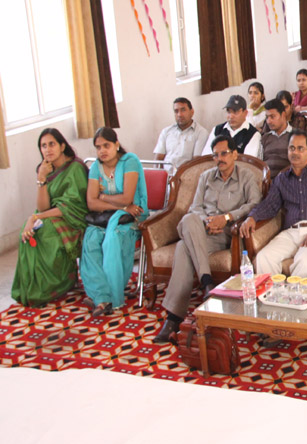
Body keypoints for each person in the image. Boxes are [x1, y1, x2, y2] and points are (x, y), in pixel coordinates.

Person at [154, 135, 262, 342]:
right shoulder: (206, 177)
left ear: (235, 154)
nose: (219, 159)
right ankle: (207, 282)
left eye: (224, 154)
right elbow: (195, 208)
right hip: (202, 230)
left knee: (183, 247)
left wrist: (226, 218)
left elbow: (254, 204)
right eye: (215, 155)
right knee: (189, 220)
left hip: (226, 234)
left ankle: (173, 318)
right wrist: (207, 221)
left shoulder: (246, 176)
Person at [241, 131, 307, 277]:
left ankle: (297, 293)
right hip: (291, 232)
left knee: (305, 260)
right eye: (292, 148)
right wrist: (252, 217)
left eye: (300, 148)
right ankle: (273, 292)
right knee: (264, 257)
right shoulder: (282, 179)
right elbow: (270, 205)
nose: (295, 152)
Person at [12, 129, 89, 306]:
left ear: (62, 146)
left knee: (45, 234)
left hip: (75, 218)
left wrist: (35, 216)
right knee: (29, 231)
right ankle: (33, 288)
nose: (47, 149)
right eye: (43, 146)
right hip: (53, 215)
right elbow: (44, 207)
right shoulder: (46, 169)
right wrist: (41, 178)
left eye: (52, 144)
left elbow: (69, 207)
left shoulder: (75, 168)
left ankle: (59, 283)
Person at [80, 127, 149, 316]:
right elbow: (91, 203)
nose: (102, 151)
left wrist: (103, 197)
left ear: (116, 145)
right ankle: (101, 296)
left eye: (106, 145)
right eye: (98, 147)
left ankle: (110, 296)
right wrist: (120, 206)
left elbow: (128, 198)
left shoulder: (130, 161)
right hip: (106, 218)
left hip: (131, 217)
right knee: (90, 240)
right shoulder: (96, 167)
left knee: (113, 239)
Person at [153, 97, 209, 174]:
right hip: (166, 176)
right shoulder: (166, 131)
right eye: (176, 111)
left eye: (183, 110)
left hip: (186, 177)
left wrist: (178, 177)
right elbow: (158, 159)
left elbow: (196, 162)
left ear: (192, 112)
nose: (179, 114)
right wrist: (157, 176)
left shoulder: (201, 132)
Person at [260, 98, 293, 178]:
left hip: (288, 180)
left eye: (272, 117)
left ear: (283, 115)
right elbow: (259, 163)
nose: (268, 121)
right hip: (267, 181)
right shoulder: (265, 138)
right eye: (267, 117)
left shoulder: (295, 136)